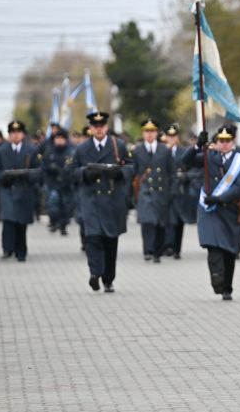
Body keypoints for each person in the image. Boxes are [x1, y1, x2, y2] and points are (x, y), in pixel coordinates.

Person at [66, 111, 134, 292]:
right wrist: (85, 173)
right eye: (95, 126)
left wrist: (118, 172)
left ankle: (108, 279)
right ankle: (95, 273)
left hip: (112, 200)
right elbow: (71, 171)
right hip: (91, 200)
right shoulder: (81, 149)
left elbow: (131, 166)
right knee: (93, 238)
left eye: (101, 126)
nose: (98, 129)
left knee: (110, 242)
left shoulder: (118, 145)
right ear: (90, 128)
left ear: (106, 127)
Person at [182, 124, 240, 300]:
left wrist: (220, 198)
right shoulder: (208, 156)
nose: (224, 144)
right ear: (217, 142)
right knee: (212, 245)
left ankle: (227, 286)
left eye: (227, 141)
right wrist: (197, 145)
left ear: (233, 141)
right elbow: (185, 161)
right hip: (209, 210)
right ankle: (216, 277)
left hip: (229, 209)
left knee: (228, 251)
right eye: (221, 140)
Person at [0, 120, 43, 262]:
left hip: (24, 189)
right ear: (9, 134)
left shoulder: (31, 150)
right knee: (8, 221)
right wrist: (3, 177)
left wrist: (27, 175)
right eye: (13, 133)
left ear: (23, 134)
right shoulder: (1, 151)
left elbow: (39, 170)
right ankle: (7, 249)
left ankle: (21, 251)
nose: (16, 135)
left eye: (18, 132)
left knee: (21, 222)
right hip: (7, 189)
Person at [133, 119, 175, 262]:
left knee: (160, 223)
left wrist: (171, 191)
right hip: (145, 191)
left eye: (152, 131)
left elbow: (171, 172)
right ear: (143, 133)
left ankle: (157, 252)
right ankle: (148, 250)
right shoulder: (137, 150)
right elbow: (133, 172)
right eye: (146, 131)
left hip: (161, 191)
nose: (149, 134)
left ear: (156, 133)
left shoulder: (165, 150)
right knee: (147, 221)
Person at [164, 123, 191, 259]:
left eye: (174, 136)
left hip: (180, 190)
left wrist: (184, 176)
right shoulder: (162, 151)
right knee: (168, 220)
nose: (171, 138)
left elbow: (190, 169)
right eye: (169, 136)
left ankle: (177, 249)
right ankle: (168, 245)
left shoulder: (183, 151)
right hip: (166, 189)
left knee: (179, 221)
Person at [42, 128, 75, 235]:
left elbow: (73, 166)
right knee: (53, 204)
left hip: (66, 183)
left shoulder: (71, 151)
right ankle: (54, 221)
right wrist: (51, 168)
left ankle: (63, 225)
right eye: (58, 138)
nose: (60, 140)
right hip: (52, 182)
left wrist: (65, 172)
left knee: (66, 206)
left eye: (62, 138)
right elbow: (44, 166)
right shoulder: (49, 151)